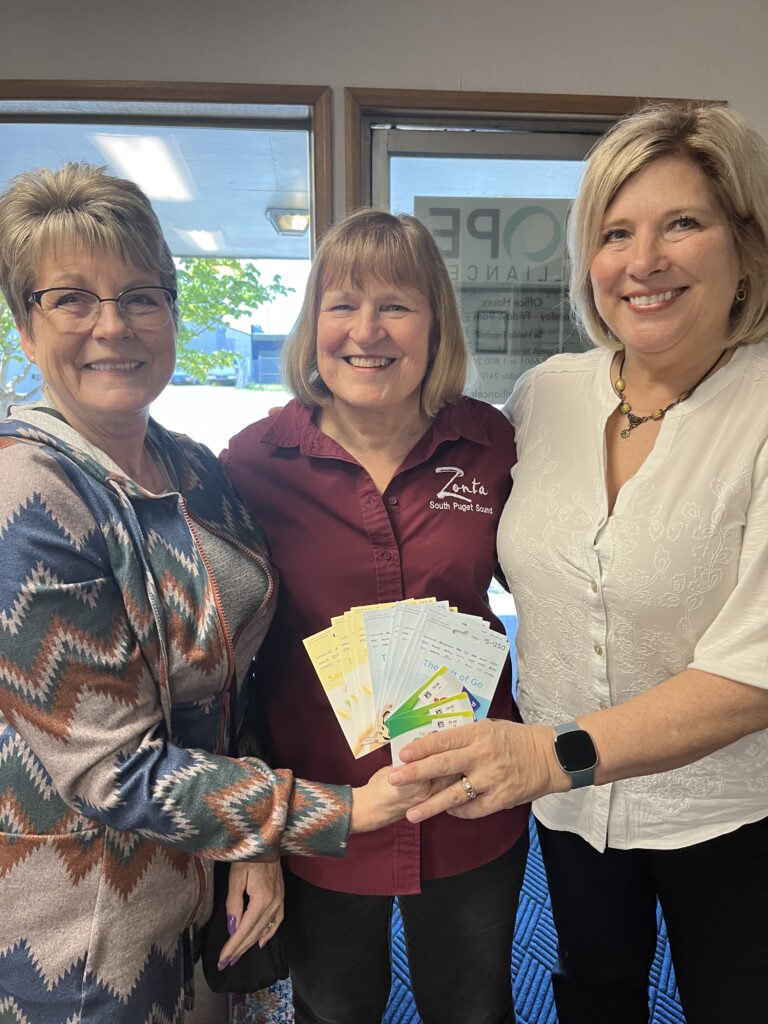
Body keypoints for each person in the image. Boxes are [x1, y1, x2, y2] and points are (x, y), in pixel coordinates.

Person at [0, 164, 435, 1024]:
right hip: (84, 922)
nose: (113, 326)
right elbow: (112, 770)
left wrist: (252, 843)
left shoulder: (194, 467)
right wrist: (339, 811)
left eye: (140, 297)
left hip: (204, 890)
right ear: (24, 326)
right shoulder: (28, 496)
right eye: (71, 299)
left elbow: (233, 682)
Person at [389, 103, 768, 1024]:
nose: (644, 261)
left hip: (727, 808)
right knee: (595, 995)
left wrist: (552, 755)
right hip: (569, 810)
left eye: (683, 223)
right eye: (615, 232)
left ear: (747, 247)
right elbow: (473, 545)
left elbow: (755, 669)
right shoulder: (543, 395)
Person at [221, 208, 530, 1024]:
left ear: (435, 324)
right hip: (326, 806)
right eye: (342, 305)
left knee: (474, 1008)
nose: (367, 331)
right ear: (312, 324)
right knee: (334, 1009)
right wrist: (253, 832)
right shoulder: (252, 464)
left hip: (468, 795)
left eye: (396, 305)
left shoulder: (491, 445)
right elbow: (222, 664)